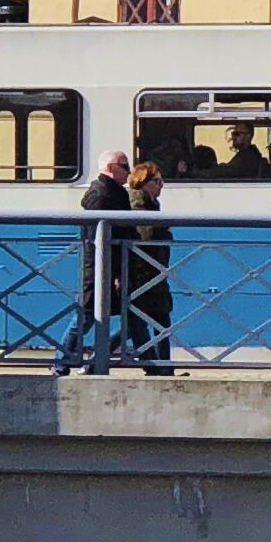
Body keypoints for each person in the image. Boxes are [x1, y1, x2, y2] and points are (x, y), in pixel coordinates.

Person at [51, 150, 135, 374]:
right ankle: (62, 362)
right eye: (124, 166)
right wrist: (115, 271)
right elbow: (101, 238)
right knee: (86, 316)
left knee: (101, 316)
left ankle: (82, 362)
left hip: (106, 266)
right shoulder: (102, 195)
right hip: (100, 268)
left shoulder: (112, 192)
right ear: (110, 167)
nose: (129, 171)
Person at [120, 153, 178, 373]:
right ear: (143, 182)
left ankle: (161, 365)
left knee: (154, 321)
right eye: (157, 181)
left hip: (154, 273)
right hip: (143, 274)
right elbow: (145, 239)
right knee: (146, 320)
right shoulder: (138, 207)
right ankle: (156, 365)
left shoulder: (152, 205)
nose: (161, 186)